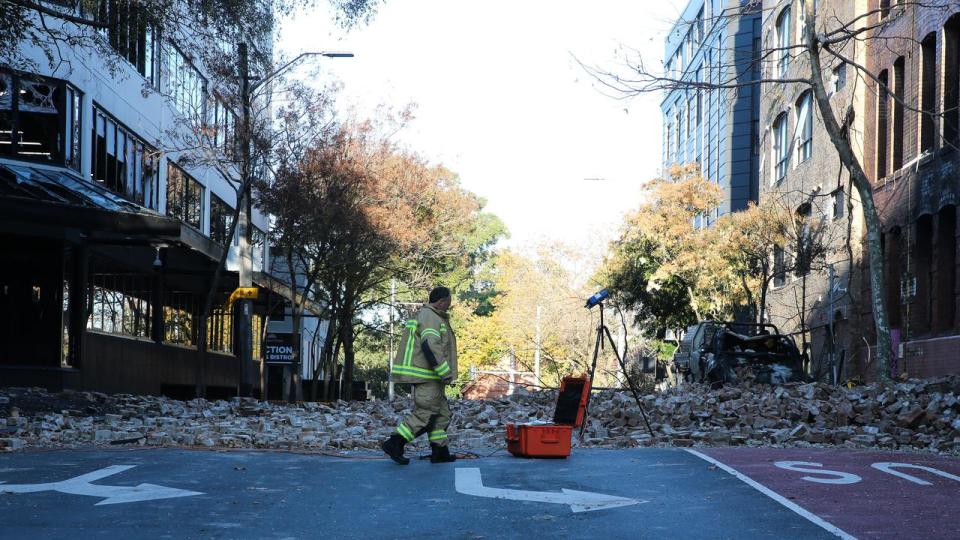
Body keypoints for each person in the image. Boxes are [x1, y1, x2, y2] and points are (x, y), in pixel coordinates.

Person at [381, 286, 458, 465]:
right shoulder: (430, 316)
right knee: (426, 414)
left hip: (431, 378)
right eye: (449, 302)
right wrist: (444, 371)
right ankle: (395, 443)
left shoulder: (432, 316)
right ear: (442, 301)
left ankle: (440, 452)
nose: (449, 306)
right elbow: (430, 345)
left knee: (442, 415)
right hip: (428, 377)